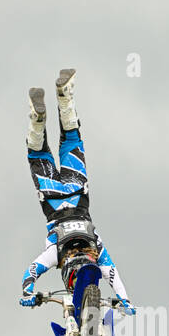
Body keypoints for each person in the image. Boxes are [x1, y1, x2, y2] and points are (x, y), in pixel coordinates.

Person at [19, 68, 136, 314]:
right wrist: (27, 289)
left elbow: (112, 273)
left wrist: (125, 299)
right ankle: (36, 119)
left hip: (77, 192)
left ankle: (65, 97)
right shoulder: (55, 251)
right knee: (39, 155)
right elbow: (32, 270)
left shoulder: (96, 245)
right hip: (53, 201)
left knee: (72, 141)